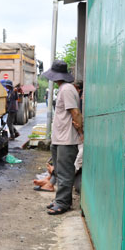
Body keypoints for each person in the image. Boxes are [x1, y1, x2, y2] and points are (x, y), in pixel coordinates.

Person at [41, 60, 83, 214]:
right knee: (59, 171)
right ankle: (61, 200)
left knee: (65, 173)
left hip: (66, 139)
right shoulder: (64, 89)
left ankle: (63, 203)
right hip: (59, 138)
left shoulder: (66, 90)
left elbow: (75, 113)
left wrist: (81, 133)